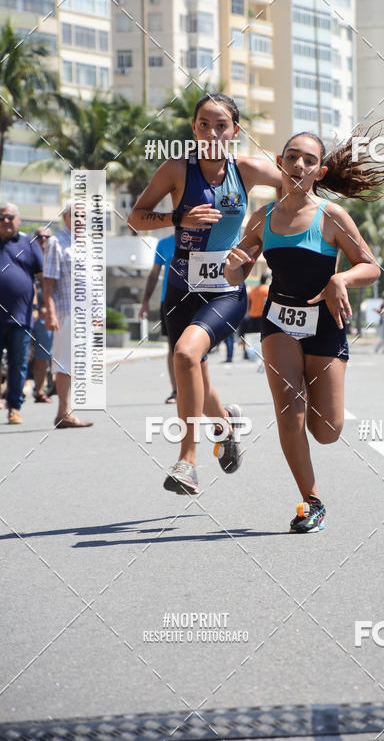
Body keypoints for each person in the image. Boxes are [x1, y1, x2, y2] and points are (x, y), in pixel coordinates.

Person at [224, 131, 384, 533]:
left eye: (309, 160)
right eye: (293, 157)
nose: (299, 165)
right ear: (281, 162)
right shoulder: (263, 217)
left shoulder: (332, 216)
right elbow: (240, 270)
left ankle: (312, 460)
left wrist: (341, 281)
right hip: (278, 321)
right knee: (290, 412)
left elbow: (370, 266)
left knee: (327, 430)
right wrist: (233, 266)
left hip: (326, 324)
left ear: (321, 170)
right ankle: (312, 501)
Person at [128, 92, 282, 493]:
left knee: (184, 355)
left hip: (226, 290)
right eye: (203, 124)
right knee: (193, 372)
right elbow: (136, 218)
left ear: (235, 130)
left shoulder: (246, 169)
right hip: (180, 289)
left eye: (220, 124)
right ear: (193, 128)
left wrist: (255, 241)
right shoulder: (177, 169)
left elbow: (298, 190)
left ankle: (188, 460)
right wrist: (179, 216)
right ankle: (225, 426)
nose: (211, 132)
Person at [43, 202, 93, 429]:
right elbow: (48, 282)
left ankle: (66, 411)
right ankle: (63, 412)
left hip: (85, 313)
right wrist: (51, 313)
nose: (80, 218)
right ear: (65, 216)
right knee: (65, 362)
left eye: (84, 215)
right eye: (75, 214)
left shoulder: (88, 244)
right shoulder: (56, 242)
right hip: (67, 311)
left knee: (77, 362)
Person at [0, 203, 43, 424]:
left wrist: (41, 307)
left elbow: (41, 276)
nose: (6, 221)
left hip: (21, 316)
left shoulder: (29, 243)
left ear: (18, 220)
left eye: (10, 217)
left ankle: (14, 408)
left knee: (18, 364)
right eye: (2, 217)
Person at [139, 232, 177, 402]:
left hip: (195, 300)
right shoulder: (164, 243)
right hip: (169, 301)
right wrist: (145, 302)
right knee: (173, 347)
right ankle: (176, 391)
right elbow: (154, 274)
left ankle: (196, 388)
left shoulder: (203, 237)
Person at [31, 227, 53, 403]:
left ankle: (39, 391)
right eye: (39, 237)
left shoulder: (55, 259)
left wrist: (47, 307)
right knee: (17, 355)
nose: (43, 240)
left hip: (46, 314)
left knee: (43, 354)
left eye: (47, 237)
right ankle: (9, 393)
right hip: (23, 313)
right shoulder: (26, 257)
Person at [240, 272, 270, 360]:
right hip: (262, 315)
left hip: (252, 315)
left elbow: (249, 302)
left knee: (252, 335)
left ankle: (250, 351)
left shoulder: (253, 290)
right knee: (262, 336)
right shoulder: (266, 290)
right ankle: (262, 352)